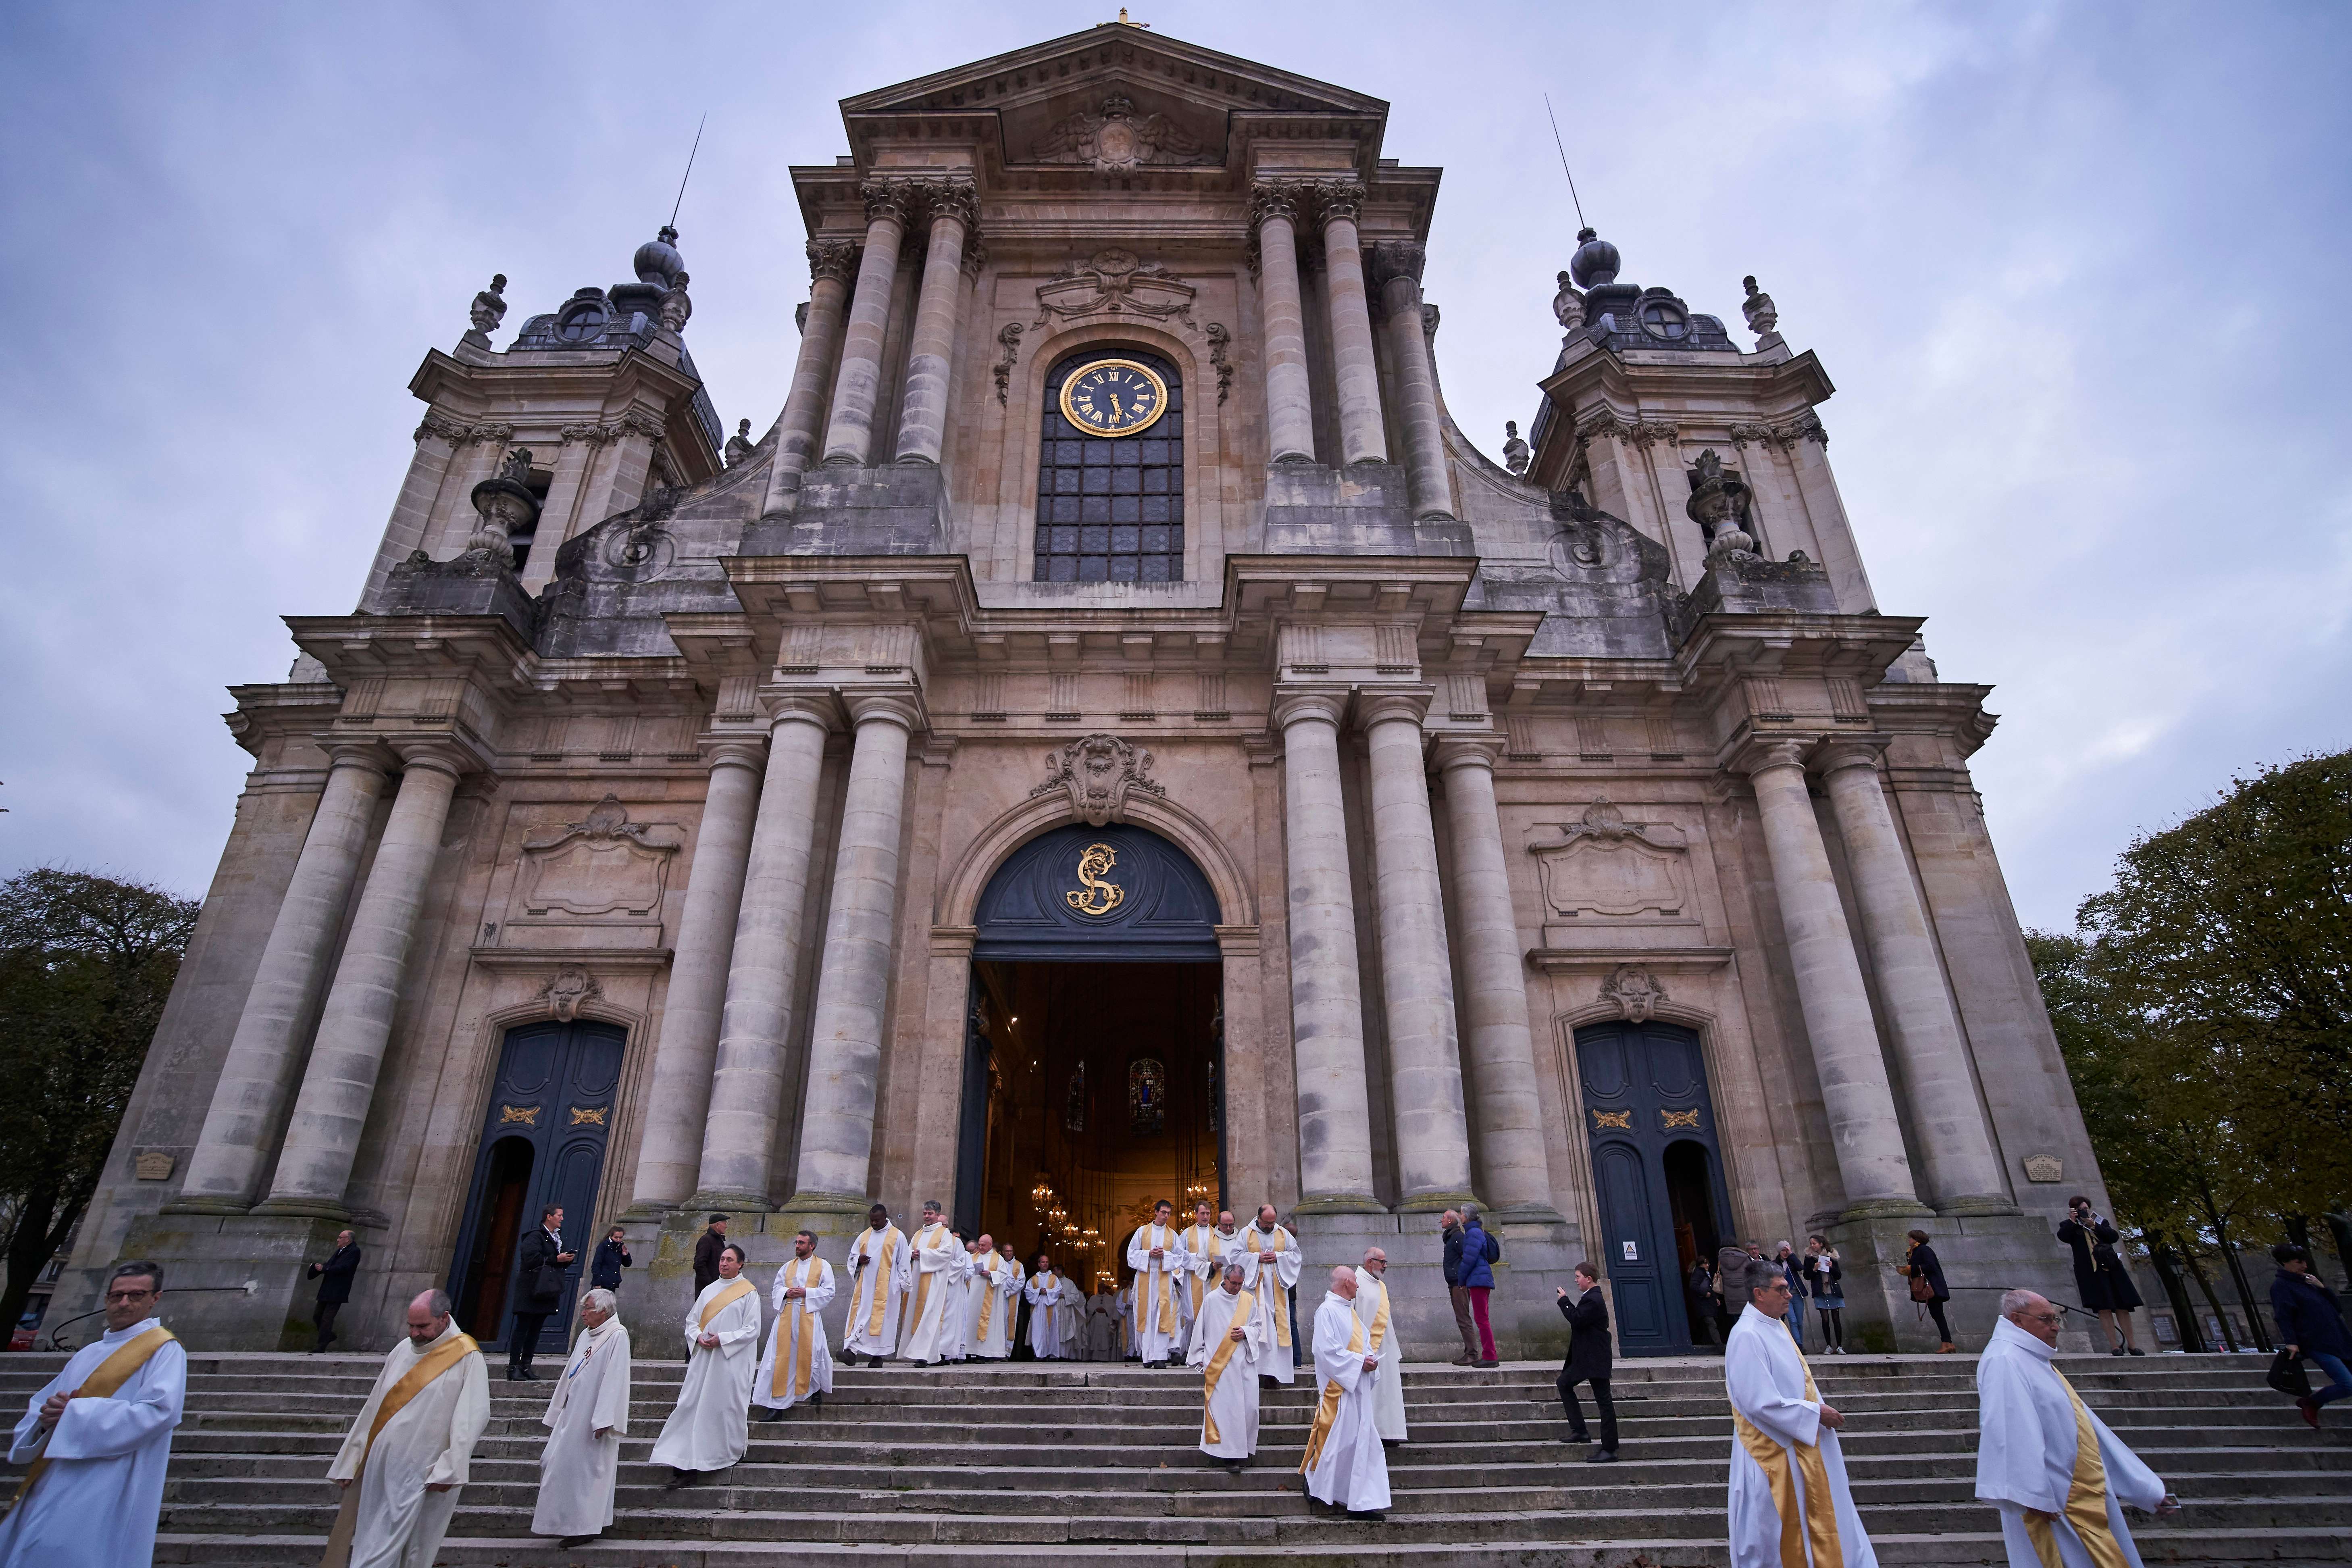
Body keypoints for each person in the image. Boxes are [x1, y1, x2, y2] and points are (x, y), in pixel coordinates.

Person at [0, 1260, 185, 1568]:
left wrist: (75, 1414)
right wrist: (45, 1421)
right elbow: (46, 1405)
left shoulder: (163, 1349)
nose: (124, 1303)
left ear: (156, 1298)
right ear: (107, 1299)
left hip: (110, 1473)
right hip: (57, 1470)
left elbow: (160, 1411)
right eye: (117, 1295)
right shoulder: (88, 1353)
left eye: (137, 1295)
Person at [1976, 1288, 2178, 1564]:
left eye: (2057, 1319)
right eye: (2046, 1319)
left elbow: (2085, 1427)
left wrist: (2145, 1488)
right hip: (2050, 1499)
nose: (2055, 1327)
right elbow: (2008, 1429)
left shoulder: (2031, 1359)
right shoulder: (2005, 1359)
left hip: (2073, 1486)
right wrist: (2032, 1494)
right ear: (2017, 1319)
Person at [1719, 1248, 1879, 1567]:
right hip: (1773, 1454)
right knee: (1777, 1542)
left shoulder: (1774, 1325)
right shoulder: (1747, 1335)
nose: (1790, 1294)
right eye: (1782, 1289)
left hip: (1799, 1447)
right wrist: (1816, 1413)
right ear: (1758, 1293)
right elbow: (1758, 1401)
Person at [321, 1288, 490, 1568]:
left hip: (423, 1471)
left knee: (401, 1549)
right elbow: (373, 1408)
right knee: (372, 1538)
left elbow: (472, 1416)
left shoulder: (467, 1356)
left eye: (422, 1326)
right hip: (380, 1467)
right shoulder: (402, 1349)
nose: (414, 1333)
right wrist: (352, 1460)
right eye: (410, 1325)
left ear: (444, 1318)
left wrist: (451, 1467)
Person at [650, 1243, 760, 1488]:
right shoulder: (709, 1290)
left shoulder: (748, 1293)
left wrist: (723, 1339)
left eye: (730, 1260)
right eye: (722, 1259)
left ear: (741, 1264)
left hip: (729, 1362)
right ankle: (682, 1458)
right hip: (704, 1361)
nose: (724, 1263)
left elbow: (753, 1329)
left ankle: (723, 1453)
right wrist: (698, 1337)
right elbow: (692, 1321)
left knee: (722, 1408)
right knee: (690, 1405)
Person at [531, 1286, 630, 1548]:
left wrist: (603, 1419)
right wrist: (558, 1409)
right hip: (573, 1413)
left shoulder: (617, 1336)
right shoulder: (587, 1334)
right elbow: (570, 1373)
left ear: (603, 1311)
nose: (582, 1313)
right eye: (583, 1308)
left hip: (593, 1420)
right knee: (554, 1463)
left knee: (588, 1473)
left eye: (587, 1309)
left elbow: (615, 1378)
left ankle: (584, 1526)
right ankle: (563, 1521)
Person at [1299, 1265, 1389, 1520]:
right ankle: (1317, 1485)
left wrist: (1370, 1359)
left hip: (1356, 1391)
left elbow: (1365, 1344)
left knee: (1360, 1446)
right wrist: (1360, 1363)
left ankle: (1360, 1501)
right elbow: (1325, 1351)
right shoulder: (1326, 1311)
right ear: (1346, 1283)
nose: (1359, 1286)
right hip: (1338, 1393)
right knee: (1337, 1446)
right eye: (1355, 1282)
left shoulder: (1350, 1313)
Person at [753, 1229, 836, 1421]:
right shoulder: (787, 1267)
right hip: (786, 1317)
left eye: (801, 1243)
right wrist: (786, 1293)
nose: (797, 1246)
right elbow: (776, 1289)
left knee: (813, 1354)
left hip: (809, 1315)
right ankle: (777, 1405)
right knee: (780, 1359)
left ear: (812, 1246)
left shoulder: (823, 1266)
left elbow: (830, 1291)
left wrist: (806, 1292)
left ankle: (814, 1389)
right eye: (796, 1242)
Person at [2269, 1243, 2352, 1429]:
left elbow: (2337, 1309)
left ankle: (2313, 1403)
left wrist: (2322, 1288)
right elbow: (2284, 1316)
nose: (2304, 1266)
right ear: (2286, 1263)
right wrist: (2291, 1341)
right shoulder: (2281, 1286)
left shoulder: (2308, 1283)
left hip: (2339, 1339)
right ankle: (2312, 1402)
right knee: (2348, 1385)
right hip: (2317, 1343)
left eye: (2304, 1261)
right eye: (2299, 1262)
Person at [1195, 1261, 1266, 1472]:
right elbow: (1200, 1330)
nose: (1237, 1288)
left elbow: (1258, 1327)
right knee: (1226, 1412)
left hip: (1244, 1364)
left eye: (1240, 1284)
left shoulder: (1248, 1300)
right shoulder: (1211, 1300)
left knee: (1248, 1409)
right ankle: (1228, 1457)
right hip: (1220, 1368)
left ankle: (1240, 1451)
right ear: (1225, 1280)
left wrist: (1245, 1332)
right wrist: (1201, 1359)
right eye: (1234, 1283)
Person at [2056, 1197, 2144, 1356]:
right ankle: (2115, 1346)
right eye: (2080, 1209)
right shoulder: (2069, 1225)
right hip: (2091, 1272)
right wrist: (2073, 1221)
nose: (2084, 1211)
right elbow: (2063, 1237)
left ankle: (2132, 1345)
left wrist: (2094, 1226)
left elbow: (2113, 1237)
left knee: (2122, 1307)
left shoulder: (2099, 1222)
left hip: (2112, 1269)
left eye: (2086, 1208)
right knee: (2103, 1309)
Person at [1555, 1262, 1616, 1463]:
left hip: (1594, 1358)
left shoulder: (1594, 1299)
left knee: (1604, 1402)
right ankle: (1580, 1431)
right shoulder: (1591, 1297)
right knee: (1564, 1383)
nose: (1576, 1280)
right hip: (1587, 1357)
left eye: (1578, 1276)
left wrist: (1564, 1301)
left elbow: (1577, 1318)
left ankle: (1609, 1449)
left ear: (1589, 1279)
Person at [1238, 1204, 1304, 1384]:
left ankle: (1277, 1375)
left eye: (1272, 1222)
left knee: (1278, 1330)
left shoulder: (1283, 1234)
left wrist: (1278, 1257)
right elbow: (1235, 1256)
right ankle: (1258, 1373)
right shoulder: (1246, 1234)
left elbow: (1296, 1256)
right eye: (1266, 1223)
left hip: (1278, 1291)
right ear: (1258, 1218)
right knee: (1260, 1329)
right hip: (1255, 1290)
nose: (1269, 1226)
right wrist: (1256, 1258)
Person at [510, 1204, 575, 1381]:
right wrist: (556, 1258)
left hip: (545, 1290)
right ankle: (513, 1367)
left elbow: (552, 1262)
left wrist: (566, 1260)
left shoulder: (556, 1237)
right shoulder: (535, 1236)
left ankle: (526, 1366)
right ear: (549, 1217)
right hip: (531, 1288)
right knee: (522, 1328)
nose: (562, 1219)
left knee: (536, 1330)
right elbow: (531, 1259)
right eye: (559, 1215)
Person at [841, 1203, 909, 1367]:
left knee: (883, 1322)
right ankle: (851, 1352)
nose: (874, 1224)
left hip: (888, 1288)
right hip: (866, 1286)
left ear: (885, 1217)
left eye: (877, 1220)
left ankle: (878, 1357)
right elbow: (853, 1256)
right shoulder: (864, 1236)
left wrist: (901, 1285)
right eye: (872, 1220)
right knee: (861, 1316)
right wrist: (859, 1260)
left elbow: (904, 1262)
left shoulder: (898, 1236)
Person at [1353, 1246, 1409, 1443]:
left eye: (1386, 1262)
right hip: (1366, 1350)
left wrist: (1393, 1349)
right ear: (1370, 1262)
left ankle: (1390, 1433)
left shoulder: (1380, 1284)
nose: (1385, 1266)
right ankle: (1372, 1435)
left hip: (1386, 1350)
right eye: (1382, 1262)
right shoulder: (1355, 1282)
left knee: (1389, 1393)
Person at [897, 1202, 963, 1366]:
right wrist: (913, 1254)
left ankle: (925, 1356)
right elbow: (908, 1250)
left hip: (934, 1282)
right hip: (917, 1281)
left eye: (930, 1214)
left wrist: (924, 1255)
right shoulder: (919, 1234)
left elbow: (947, 1254)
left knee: (930, 1317)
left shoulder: (944, 1233)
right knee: (917, 1316)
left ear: (937, 1214)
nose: (927, 1216)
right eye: (925, 1213)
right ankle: (920, 1354)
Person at [1127, 1199, 1187, 1367]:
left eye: (1169, 1213)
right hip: (1146, 1276)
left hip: (1163, 1276)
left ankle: (1160, 1357)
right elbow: (1131, 1254)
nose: (1166, 1216)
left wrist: (1165, 1256)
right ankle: (1147, 1357)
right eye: (1163, 1213)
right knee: (1147, 1316)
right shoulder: (1142, 1232)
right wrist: (1148, 1254)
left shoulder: (1172, 1234)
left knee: (1162, 1315)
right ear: (1156, 1212)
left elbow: (1180, 1256)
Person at [1175, 1200, 1223, 1359]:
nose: (1206, 1217)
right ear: (1196, 1214)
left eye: (1208, 1214)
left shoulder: (1216, 1234)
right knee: (1191, 1317)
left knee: (1209, 1317)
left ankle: (1206, 1352)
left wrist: (1210, 1265)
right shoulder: (1187, 1234)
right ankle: (1187, 1350)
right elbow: (1180, 1256)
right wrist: (1200, 1262)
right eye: (1202, 1213)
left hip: (1211, 1278)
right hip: (1193, 1278)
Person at [1898, 1228, 1957, 1353]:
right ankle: (1947, 1343)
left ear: (1916, 1239)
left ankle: (1947, 1343)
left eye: (1911, 1238)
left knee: (1938, 1315)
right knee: (1937, 1315)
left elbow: (1930, 1266)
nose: (1909, 1240)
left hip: (1932, 1287)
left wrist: (1911, 1268)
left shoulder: (1924, 1250)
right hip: (1929, 1287)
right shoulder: (1914, 1252)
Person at [965, 1233, 1018, 1363]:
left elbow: (1004, 1275)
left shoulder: (998, 1259)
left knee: (986, 1324)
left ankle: (983, 1354)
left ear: (990, 1245)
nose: (981, 1247)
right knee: (970, 1321)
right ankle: (967, 1352)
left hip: (990, 1299)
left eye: (983, 1245)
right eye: (980, 1245)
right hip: (972, 1297)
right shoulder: (973, 1257)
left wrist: (990, 1274)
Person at [308, 1230, 362, 1354]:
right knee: (317, 1316)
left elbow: (345, 1268)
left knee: (327, 1318)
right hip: (328, 1288)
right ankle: (328, 1335)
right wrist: (318, 1268)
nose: (338, 1240)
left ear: (347, 1239)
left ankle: (322, 1344)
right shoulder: (340, 1251)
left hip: (338, 1290)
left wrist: (325, 1269)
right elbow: (331, 1264)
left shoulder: (354, 1252)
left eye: (340, 1237)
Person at [1459, 1204, 1499, 1367]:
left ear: (1467, 1217)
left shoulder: (1473, 1233)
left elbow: (1469, 1260)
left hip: (1478, 1280)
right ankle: (1490, 1355)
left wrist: (1462, 1280)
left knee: (1482, 1320)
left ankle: (1490, 1356)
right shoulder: (1475, 1231)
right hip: (1480, 1279)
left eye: (1461, 1214)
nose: (1460, 1216)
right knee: (1482, 1319)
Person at [1441, 1210, 1481, 1365]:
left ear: (1450, 1221)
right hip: (1455, 1283)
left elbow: (1467, 1258)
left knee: (1464, 1319)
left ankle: (1472, 1353)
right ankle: (1470, 1352)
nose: (1441, 1220)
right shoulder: (1452, 1237)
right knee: (1462, 1318)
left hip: (1459, 1284)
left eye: (1444, 1218)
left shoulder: (1457, 1237)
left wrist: (1463, 1280)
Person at [1804, 1237, 1847, 1355]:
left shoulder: (1831, 1255)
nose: (1812, 1246)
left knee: (1836, 1319)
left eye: (1815, 1244)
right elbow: (1807, 1275)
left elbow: (1839, 1275)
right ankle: (1828, 1345)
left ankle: (1839, 1346)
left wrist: (1832, 1267)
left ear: (1821, 1244)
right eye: (1811, 1244)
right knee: (1825, 1319)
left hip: (1832, 1290)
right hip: (1820, 1291)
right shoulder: (1809, 1257)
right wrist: (1814, 1269)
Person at [1026, 1254, 1072, 1359]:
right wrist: (1038, 1291)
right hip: (1038, 1308)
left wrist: (1047, 1291)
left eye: (1047, 1262)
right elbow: (1028, 1291)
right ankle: (1038, 1354)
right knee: (1037, 1330)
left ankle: (1050, 1353)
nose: (1045, 1264)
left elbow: (1058, 1290)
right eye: (1043, 1262)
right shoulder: (1034, 1279)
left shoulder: (1054, 1278)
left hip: (1050, 1307)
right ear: (1039, 1264)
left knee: (1051, 1331)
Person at [1775, 1242, 1807, 1348]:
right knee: (1792, 1320)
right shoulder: (1775, 1263)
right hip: (1785, 1296)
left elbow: (1800, 1268)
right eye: (1783, 1251)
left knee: (1799, 1322)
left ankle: (1800, 1344)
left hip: (1797, 1294)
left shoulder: (1792, 1261)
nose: (1785, 1253)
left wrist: (1791, 1254)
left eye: (1786, 1250)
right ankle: (1798, 1345)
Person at [1687, 1256, 1722, 1349]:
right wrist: (1705, 1293)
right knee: (1711, 1323)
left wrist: (1715, 1298)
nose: (1708, 1265)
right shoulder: (1699, 1273)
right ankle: (1720, 1346)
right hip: (1704, 1304)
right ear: (1700, 1265)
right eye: (1705, 1263)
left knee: (1708, 1324)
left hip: (1708, 1303)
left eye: (1708, 1263)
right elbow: (1693, 1286)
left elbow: (1709, 1287)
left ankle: (1708, 1343)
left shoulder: (1704, 1273)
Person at [691, 1213, 731, 1295]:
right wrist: (710, 1284)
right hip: (707, 1290)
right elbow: (699, 1265)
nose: (726, 1226)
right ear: (718, 1225)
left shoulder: (718, 1240)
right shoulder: (706, 1240)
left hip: (717, 1288)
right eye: (725, 1223)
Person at [589, 1226, 631, 1293]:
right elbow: (596, 1264)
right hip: (602, 1282)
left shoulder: (620, 1247)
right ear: (611, 1236)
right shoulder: (604, 1246)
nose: (618, 1240)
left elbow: (627, 1264)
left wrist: (626, 1255)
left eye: (620, 1238)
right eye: (616, 1237)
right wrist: (597, 1282)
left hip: (612, 1283)